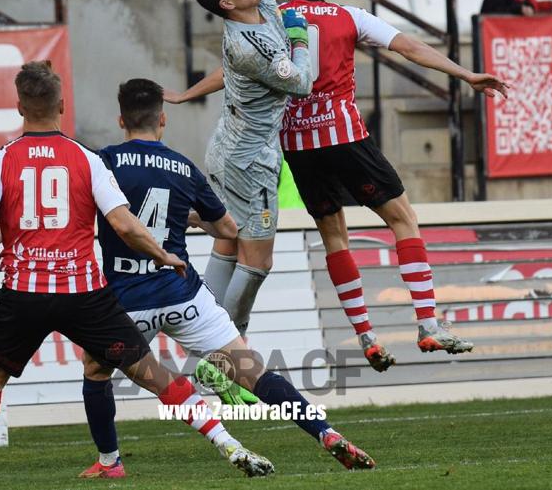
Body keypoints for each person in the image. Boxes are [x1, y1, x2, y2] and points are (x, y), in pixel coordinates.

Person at [0, 62, 274, 489]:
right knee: (150, 372)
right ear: (61, 105)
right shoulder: (86, 158)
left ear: (19, 107)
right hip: (84, 295)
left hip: (24, 294)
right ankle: (229, 444)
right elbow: (125, 224)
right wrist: (163, 255)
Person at [176, 0, 509, 372]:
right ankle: (427, 323)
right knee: (402, 219)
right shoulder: (348, 15)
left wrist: (187, 94)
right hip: (344, 135)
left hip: (297, 143)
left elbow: (232, 71)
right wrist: (465, 74)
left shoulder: (270, 17)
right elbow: (408, 46)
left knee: (334, 235)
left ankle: (366, 336)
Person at [76, 78, 375, 478]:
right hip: (183, 294)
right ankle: (325, 432)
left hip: (128, 301)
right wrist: (192, 217)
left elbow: (109, 216)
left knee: (96, 374)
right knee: (254, 373)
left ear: (120, 120)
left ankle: (109, 462)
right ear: (162, 120)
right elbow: (229, 230)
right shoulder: (183, 168)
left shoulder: (102, 162)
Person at [178, 0, 371, 345]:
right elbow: (302, 82)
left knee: (226, 241)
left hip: (229, 146)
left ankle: (205, 347)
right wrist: (301, 35)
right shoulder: (249, 46)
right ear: (228, 2)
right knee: (258, 261)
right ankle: (225, 350)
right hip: (250, 162)